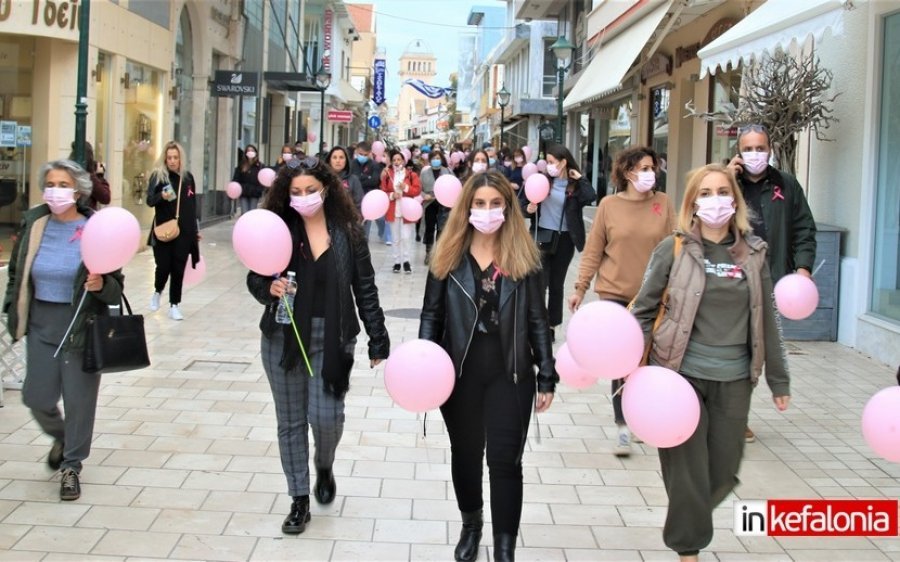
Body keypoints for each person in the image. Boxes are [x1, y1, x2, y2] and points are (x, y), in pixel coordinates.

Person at [630, 163, 790, 562]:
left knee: (723, 471)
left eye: (722, 192)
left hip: (735, 378)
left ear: (734, 200)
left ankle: (689, 520)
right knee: (686, 474)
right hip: (679, 377)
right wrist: (633, 367)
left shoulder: (754, 253)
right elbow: (644, 309)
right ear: (692, 202)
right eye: (705, 193)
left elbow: (768, 316)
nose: (714, 200)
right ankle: (689, 551)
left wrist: (779, 379)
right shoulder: (675, 248)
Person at [246, 156, 390, 535]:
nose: (304, 197)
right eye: (295, 192)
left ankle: (324, 463)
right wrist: (269, 288)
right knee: (290, 422)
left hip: (333, 336)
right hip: (283, 336)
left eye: (310, 190)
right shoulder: (278, 228)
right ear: (285, 194)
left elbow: (365, 287)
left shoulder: (348, 230)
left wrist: (378, 336)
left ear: (326, 189)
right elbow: (255, 278)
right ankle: (298, 500)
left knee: (327, 417)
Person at [419, 170, 557, 562]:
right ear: (466, 208)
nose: (487, 211)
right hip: (458, 374)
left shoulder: (526, 258)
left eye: (495, 203)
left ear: (508, 208)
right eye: (479, 204)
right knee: (465, 453)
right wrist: (425, 366)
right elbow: (432, 316)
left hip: (510, 374)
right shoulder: (446, 255)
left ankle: (504, 547)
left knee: (505, 461)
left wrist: (546, 372)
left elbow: (537, 320)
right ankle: (471, 523)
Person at [3, 159, 124, 501]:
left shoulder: (96, 228)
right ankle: (63, 438)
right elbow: (17, 272)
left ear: (78, 190)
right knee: (36, 397)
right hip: (41, 322)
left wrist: (100, 284)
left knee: (79, 401)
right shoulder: (35, 222)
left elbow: (116, 288)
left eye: (62, 184)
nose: (55, 191)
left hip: (82, 325)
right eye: (50, 184)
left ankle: (71, 467)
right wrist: (13, 307)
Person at [568, 146, 676, 457]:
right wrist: (580, 287)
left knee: (653, 359)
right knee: (623, 360)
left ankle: (648, 414)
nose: (649, 174)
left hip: (654, 295)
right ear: (627, 172)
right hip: (615, 293)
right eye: (643, 168)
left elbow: (677, 245)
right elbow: (593, 250)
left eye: (652, 167)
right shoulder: (609, 206)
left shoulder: (663, 203)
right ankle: (624, 423)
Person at [727, 123, 815, 443]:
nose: (754, 154)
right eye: (748, 148)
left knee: (755, 351)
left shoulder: (786, 185)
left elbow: (804, 228)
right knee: (732, 349)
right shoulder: (726, 183)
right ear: (738, 152)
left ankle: (738, 416)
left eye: (760, 148)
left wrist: (802, 269)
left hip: (771, 281)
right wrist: (725, 177)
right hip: (731, 280)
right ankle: (733, 417)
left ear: (770, 150)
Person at [525, 143, 596, 341]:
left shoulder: (575, 186)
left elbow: (591, 196)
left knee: (556, 286)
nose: (548, 166)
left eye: (551, 162)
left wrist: (580, 178)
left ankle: (552, 326)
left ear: (563, 162)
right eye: (547, 162)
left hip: (565, 239)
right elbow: (523, 203)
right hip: (542, 236)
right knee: (540, 284)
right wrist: (528, 208)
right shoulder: (542, 181)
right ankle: (537, 324)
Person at [147, 141, 200, 321]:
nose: (172, 161)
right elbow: (150, 200)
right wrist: (161, 196)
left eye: (175, 157)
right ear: (164, 158)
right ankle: (157, 291)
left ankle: (174, 305)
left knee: (178, 268)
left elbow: (192, 205)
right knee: (163, 266)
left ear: (180, 159)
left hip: (184, 230)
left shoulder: (187, 178)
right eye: (169, 157)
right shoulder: (158, 176)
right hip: (163, 228)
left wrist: (195, 229)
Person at [381, 149, 421, 274]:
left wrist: (406, 187)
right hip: (393, 210)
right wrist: (392, 195)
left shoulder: (411, 175)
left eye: (399, 159)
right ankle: (397, 262)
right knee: (396, 238)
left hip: (407, 210)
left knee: (406, 237)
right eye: (394, 160)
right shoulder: (387, 175)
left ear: (404, 160)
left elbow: (417, 190)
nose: (397, 162)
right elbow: (382, 192)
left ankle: (406, 261)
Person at [351, 141, 392, 245]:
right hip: (357, 197)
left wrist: (361, 178)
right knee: (364, 221)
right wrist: (366, 177)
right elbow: (353, 179)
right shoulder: (352, 164)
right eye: (360, 154)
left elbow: (374, 180)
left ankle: (382, 234)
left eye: (365, 155)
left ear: (369, 153)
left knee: (380, 219)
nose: (363, 157)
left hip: (372, 197)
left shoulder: (374, 165)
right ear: (356, 152)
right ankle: (364, 240)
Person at [419, 147, 452, 265]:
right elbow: (419, 188)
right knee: (429, 228)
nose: (436, 160)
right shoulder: (424, 172)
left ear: (442, 159)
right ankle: (428, 253)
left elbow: (453, 186)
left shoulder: (447, 171)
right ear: (430, 160)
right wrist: (424, 195)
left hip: (444, 205)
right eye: (433, 158)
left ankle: (438, 253)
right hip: (430, 204)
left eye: (438, 158)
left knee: (441, 229)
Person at [68, 141, 111, 210]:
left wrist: (99, 175)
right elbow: (105, 198)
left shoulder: (96, 167)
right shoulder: (71, 172)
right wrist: (98, 175)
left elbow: (106, 198)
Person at [326, 146, 364, 212]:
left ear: (346, 160)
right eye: (334, 157)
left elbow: (359, 204)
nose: (338, 161)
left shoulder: (353, 180)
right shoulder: (323, 179)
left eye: (341, 157)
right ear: (329, 160)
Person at [232, 144, 264, 215]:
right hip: (243, 193)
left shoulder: (260, 166)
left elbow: (263, 180)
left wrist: (259, 190)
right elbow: (236, 179)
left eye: (252, 150)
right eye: (248, 150)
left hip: (254, 193)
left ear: (256, 153)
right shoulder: (241, 166)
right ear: (246, 153)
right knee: (244, 213)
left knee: (252, 213)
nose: (250, 152)